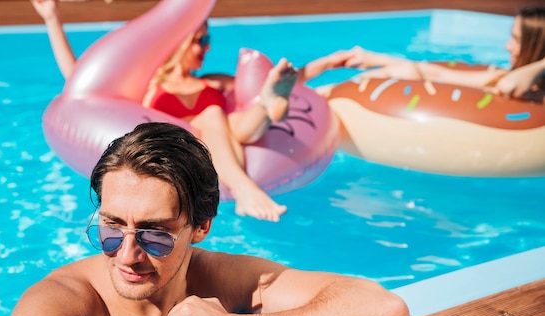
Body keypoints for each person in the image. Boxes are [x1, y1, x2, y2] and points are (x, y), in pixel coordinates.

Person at [0, 122, 411, 316]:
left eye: (155, 235)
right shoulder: (68, 296)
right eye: (112, 228)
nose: (127, 254)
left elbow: (382, 312)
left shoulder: (224, 279)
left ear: (201, 226)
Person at [31, 0, 339, 223]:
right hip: (188, 140)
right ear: (178, 44)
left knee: (224, 117)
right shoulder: (151, 86)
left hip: (234, 131)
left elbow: (293, 79)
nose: (207, 48)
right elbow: (79, 82)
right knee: (211, 117)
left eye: (209, 40)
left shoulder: (212, 82)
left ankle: (269, 106)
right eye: (200, 40)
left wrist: (325, 64)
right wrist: (51, 19)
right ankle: (265, 119)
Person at [317, 6, 545, 103]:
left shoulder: (533, 93)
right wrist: (376, 59)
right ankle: (319, 95)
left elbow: (509, 87)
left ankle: (315, 96)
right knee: (406, 70)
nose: (507, 46)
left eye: (516, 40)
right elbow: (438, 74)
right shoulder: (501, 75)